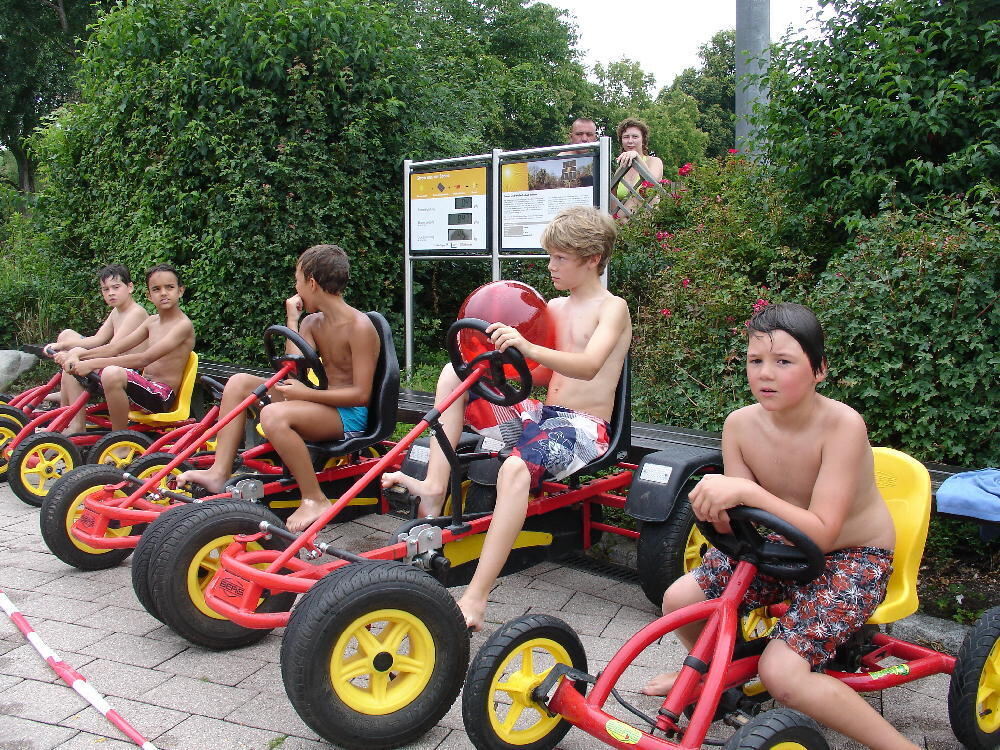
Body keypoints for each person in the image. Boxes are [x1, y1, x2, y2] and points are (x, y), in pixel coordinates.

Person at [642, 302, 917, 750]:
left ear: (819, 370)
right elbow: (744, 524)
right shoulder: (740, 426)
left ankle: (897, 745)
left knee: (782, 675)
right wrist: (717, 515)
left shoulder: (842, 427)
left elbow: (824, 531)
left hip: (852, 557)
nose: (765, 374)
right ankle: (714, 674)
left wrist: (746, 494)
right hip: (779, 546)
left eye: (783, 361)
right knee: (678, 599)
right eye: (756, 361)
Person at [381, 206, 632, 631]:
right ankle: (435, 485)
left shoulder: (613, 308)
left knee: (515, 470)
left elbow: (588, 365)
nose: (550, 266)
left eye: (560, 258)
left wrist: (528, 348)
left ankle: (475, 598)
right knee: (455, 372)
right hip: (538, 415)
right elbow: (539, 376)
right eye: (550, 256)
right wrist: (495, 365)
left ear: (592, 258)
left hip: (583, 427)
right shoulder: (553, 306)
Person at [175, 244, 379, 533]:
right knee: (239, 383)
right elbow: (294, 365)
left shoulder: (359, 327)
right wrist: (293, 320)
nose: (294, 288)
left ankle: (314, 497)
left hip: (350, 415)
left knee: (273, 416)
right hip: (321, 403)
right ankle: (219, 472)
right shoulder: (313, 321)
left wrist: (304, 394)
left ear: (311, 282)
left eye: (297, 280)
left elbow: (361, 394)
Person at [62, 264, 195, 433]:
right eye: (156, 289)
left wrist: (91, 362)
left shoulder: (182, 326)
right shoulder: (152, 322)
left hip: (160, 396)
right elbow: (115, 348)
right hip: (143, 388)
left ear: (180, 291)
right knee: (77, 371)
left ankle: (120, 440)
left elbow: (144, 359)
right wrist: (80, 354)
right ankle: (74, 426)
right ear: (149, 296)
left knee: (112, 373)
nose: (163, 293)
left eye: (169, 287)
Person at [45, 264, 148, 432]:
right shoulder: (117, 311)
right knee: (67, 337)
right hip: (113, 363)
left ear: (130, 287)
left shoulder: (135, 312)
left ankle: (76, 424)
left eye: (116, 287)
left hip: (127, 372)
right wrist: (61, 345)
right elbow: (98, 339)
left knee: (73, 363)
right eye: (105, 289)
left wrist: (77, 354)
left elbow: (113, 348)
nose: (111, 293)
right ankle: (64, 409)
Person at [613, 117, 664, 217]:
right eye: (626, 137)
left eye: (635, 137)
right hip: (623, 229)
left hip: (647, 228)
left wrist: (636, 157)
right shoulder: (620, 170)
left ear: (643, 140)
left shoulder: (654, 161)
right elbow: (613, 202)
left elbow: (651, 181)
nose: (630, 141)